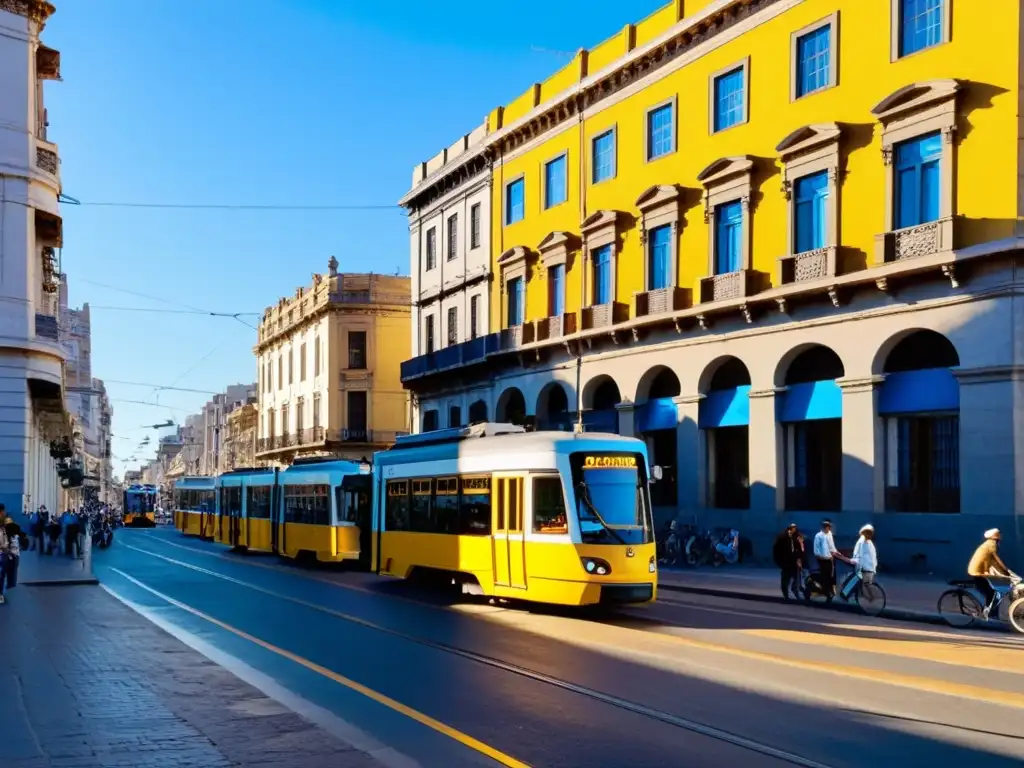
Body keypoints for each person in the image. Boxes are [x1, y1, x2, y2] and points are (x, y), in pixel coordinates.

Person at [968, 528, 1013, 619]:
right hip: (977, 572)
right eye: (998, 534)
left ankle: (990, 613)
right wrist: (1006, 571)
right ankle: (988, 614)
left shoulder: (989, 544)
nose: (1000, 535)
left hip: (979, 571)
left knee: (992, 592)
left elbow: (992, 561)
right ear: (995, 536)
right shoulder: (992, 545)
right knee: (991, 593)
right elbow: (997, 560)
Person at [812, 520, 852, 602]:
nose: (829, 529)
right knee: (825, 577)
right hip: (822, 560)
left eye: (829, 527)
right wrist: (823, 557)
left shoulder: (829, 535)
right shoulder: (818, 536)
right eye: (827, 527)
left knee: (831, 577)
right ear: (824, 527)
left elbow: (832, 547)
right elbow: (816, 551)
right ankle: (827, 594)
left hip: (830, 559)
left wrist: (840, 555)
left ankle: (829, 592)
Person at [843, 524, 879, 602]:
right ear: (865, 533)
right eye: (869, 533)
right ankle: (848, 594)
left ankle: (861, 596)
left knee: (861, 582)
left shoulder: (868, 542)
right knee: (858, 581)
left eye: (871, 533)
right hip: (862, 565)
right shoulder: (862, 542)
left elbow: (872, 555)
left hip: (866, 567)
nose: (871, 535)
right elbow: (859, 555)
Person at [773, 523, 803, 600]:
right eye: (791, 528)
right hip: (785, 561)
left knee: (797, 578)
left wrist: (799, 559)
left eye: (794, 528)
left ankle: (795, 590)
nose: (793, 530)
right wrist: (779, 561)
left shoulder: (797, 536)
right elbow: (776, 550)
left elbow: (800, 549)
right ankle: (786, 595)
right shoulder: (782, 537)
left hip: (793, 561)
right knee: (785, 579)